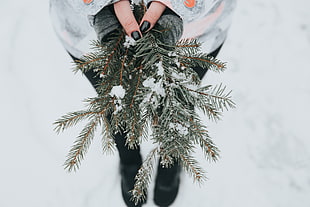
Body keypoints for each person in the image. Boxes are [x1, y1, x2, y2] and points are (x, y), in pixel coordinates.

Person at [49, 0, 236, 206]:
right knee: (117, 100)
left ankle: (170, 158)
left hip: (196, 31)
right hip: (87, 32)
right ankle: (129, 160)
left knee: (177, 100)